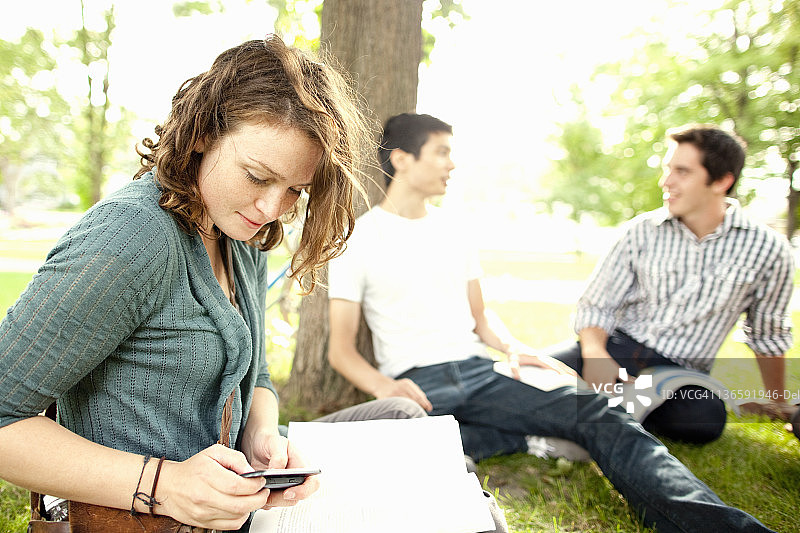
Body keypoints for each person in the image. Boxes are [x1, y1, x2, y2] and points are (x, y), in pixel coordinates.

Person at [327, 112, 778, 533]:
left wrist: (513, 347)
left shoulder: (456, 230)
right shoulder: (358, 240)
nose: (452, 164)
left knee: (601, 415)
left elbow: (481, 318)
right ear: (402, 160)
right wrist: (385, 387)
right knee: (411, 454)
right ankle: (505, 439)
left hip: (482, 372)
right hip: (419, 385)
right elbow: (341, 350)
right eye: (442, 152)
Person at [0, 36, 375, 532]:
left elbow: (256, 376)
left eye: (295, 190)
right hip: (137, 520)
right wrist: (167, 485)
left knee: (398, 416)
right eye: (257, 176)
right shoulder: (131, 238)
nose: (272, 208)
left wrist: (262, 438)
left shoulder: (239, 230)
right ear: (202, 135)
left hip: (232, 513)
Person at [545, 125, 794, 444]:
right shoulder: (641, 230)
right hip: (616, 348)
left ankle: (598, 403)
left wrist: (777, 401)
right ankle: (607, 401)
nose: (666, 181)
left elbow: (767, 335)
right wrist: (595, 355)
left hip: (681, 371)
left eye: (682, 172)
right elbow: (597, 304)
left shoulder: (768, 249)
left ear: (721, 181)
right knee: (524, 378)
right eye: (668, 169)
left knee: (703, 420)